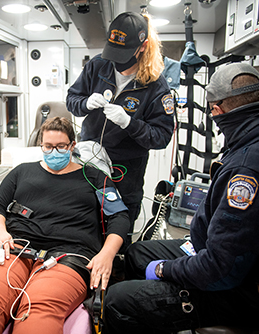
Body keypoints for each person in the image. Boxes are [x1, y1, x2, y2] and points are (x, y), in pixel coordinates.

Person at [102, 63, 259, 333]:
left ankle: (150, 306)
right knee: (137, 253)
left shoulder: (248, 170)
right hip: (211, 250)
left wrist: (164, 271)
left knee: (117, 301)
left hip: (237, 290)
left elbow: (220, 269)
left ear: (216, 110)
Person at [0, 117, 130, 334]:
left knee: (37, 310)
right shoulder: (21, 172)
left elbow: (120, 216)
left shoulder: (94, 177)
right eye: (48, 146)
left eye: (61, 147)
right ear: (40, 145)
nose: (54, 152)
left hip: (69, 256)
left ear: (72, 146)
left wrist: (107, 255)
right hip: (13, 248)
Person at [66, 12, 174, 238]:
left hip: (125, 171)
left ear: (142, 47)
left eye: (123, 54)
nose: (117, 61)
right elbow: (72, 100)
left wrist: (129, 123)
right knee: (86, 220)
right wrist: (85, 103)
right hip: (90, 159)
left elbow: (161, 137)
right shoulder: (98, 66)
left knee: (118, 226)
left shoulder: (156, 85)